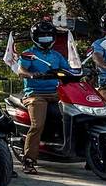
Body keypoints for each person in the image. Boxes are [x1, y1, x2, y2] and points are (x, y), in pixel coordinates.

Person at [12, 20, 70, 175]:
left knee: (77, 118)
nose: (46, 38)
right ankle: (29, 160)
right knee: (37, 125)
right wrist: (32, 74)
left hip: (58, 93)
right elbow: (21, 70)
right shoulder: (29, 54)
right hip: (35, 95)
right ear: (35, 37)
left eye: (48, 35)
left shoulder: (57, 55)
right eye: (42, 36)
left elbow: (69, 70)